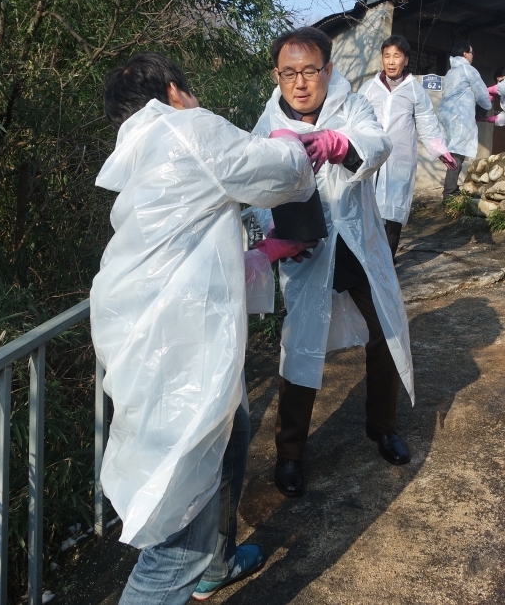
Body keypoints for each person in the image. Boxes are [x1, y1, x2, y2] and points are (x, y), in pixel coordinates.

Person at [92, 52, 318, 604]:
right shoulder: (186, 128)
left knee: (234, 433)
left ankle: (217, 563)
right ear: (173, 90)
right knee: (173, 552)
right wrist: (301, 141)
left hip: (162, 342)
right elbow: (284, 174)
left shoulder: (139, 153)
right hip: (178, 362)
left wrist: (261, 257)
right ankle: (197, 562)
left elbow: (187, 253)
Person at [251, 26, 415, 498]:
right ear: (277, 75)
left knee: (385, 332)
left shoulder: (351, 106)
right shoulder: (266, 127)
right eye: (289, 73)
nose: (300, 82)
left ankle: (383, 428)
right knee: (299, 347)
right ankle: (290, 454)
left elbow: (377, 144)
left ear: (327, 69)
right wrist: (275, 236)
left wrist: (338, 146)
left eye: (309, 71)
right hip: (308, 250)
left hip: (358, 243)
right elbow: (258, 192)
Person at [360, 34, 453, 257]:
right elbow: (354, 119)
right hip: (370, 159)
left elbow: (427, 121)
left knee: (393, 214)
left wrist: (440, 150)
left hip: (399, 159)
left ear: (406, 60)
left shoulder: (414, 90)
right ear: (382, 59)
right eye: (387, 56)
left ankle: (388, 265)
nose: (391, 61)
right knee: (365, 212)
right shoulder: (368, 88)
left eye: (397, 56)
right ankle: (366, 265)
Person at [438, 41, 493, 196]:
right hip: (460, 116)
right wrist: (487, 107)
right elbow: (482, 95)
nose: (472, 56)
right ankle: (449, 191)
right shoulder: (468, 70)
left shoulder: (451, 72)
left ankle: (451, 188)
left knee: (453, 151)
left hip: (447, 115)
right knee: (457, 154)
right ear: (464, 54)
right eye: (471, 52)